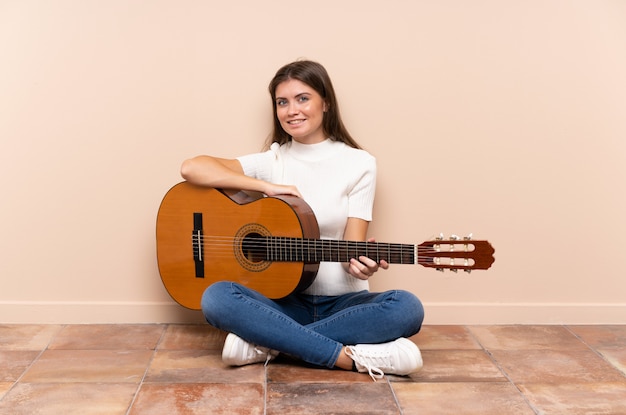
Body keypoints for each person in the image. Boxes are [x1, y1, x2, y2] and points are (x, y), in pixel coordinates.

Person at [180, 60, 424, 380]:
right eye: (283, 102)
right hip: (283, 303)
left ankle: (269, 343)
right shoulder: (274, 160)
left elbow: (352, 248)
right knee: (216, 298)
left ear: (326, 103)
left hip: (344, 303)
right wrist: (266, 186)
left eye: (302, 98)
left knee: (407, 307)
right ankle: (348, 358)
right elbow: (191, 167)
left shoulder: (359, 163)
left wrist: (364, 264)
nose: (292, 110)